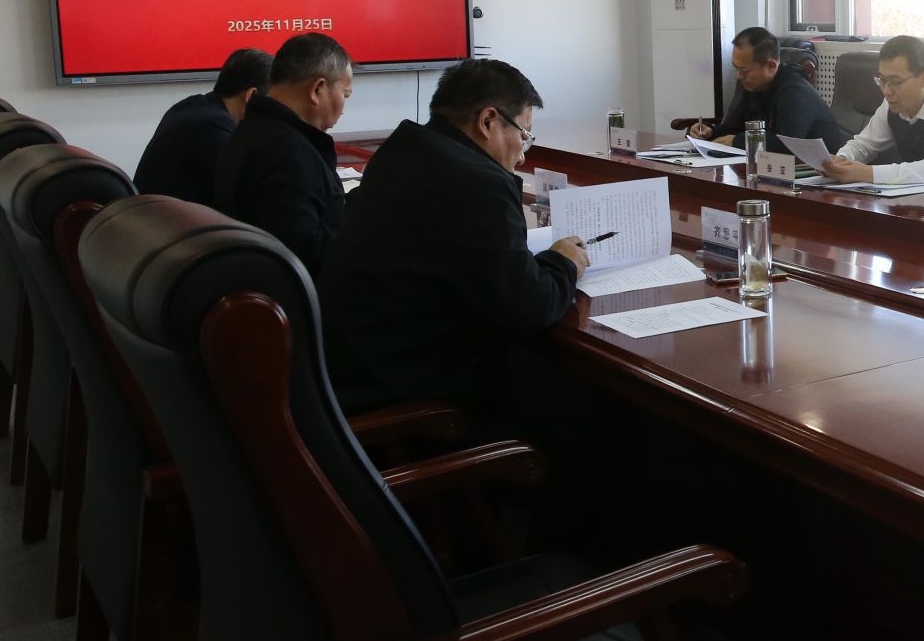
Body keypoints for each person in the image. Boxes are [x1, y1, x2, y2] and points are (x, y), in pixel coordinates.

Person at [321, 58, 590, 413]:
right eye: (524, 135)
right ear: (488, 120)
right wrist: (563, 262)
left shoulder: (404, 150)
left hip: (352, 364)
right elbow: (528, 309)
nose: (523, 156)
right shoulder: (477, 183)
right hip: (405, 388)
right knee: (576, 399)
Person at [214, 32, 353, 278]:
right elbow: (306, 253)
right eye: (345, 94)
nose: (344, 108)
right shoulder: (289, 154)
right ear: (317, 89)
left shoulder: (251, 131)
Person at [820, 34, 924, 185]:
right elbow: (863, 146)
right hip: (914, 199)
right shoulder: (891, 104)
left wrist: (866, 173)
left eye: (895, 82)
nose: (886, 91)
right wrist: (841, 161)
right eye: (882, 80)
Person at [133, 47, 272, 205]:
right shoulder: (212, 126)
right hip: (164, 219)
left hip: (150, 215)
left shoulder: (193, 106)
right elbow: (253, 192)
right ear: (252, 96)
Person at [690, 26, 844, 156]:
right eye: (736, 68)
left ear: (771, 66)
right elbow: (733, 127)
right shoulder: (754, 86)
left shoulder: (796, 92)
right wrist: (710, 131)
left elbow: (786, 145)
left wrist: (736, 141)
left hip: (816, 172)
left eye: (744, 70)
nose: (739, 76)